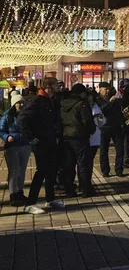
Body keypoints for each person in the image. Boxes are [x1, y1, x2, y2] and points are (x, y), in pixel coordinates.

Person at [17, 77, 65, 215]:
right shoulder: (37, 101)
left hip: (50, 141)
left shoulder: (51, 100)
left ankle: (50, 199)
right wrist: (31, 137)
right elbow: (21, 119)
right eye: (56, 85)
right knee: (41, 171)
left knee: (51, 170)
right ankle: (30, 203)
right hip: (41, 142)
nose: (59, 87)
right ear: (49, 87)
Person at [61, 83, 96, 198]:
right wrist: (91, 130)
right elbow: (87, 120)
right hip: (80, 137)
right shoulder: (81, 104)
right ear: (81, 93)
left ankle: (69, 189)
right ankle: (86, 190)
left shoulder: (63, 103)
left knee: (69, 164)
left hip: (66, 136)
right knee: (83, 164)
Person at [0, 94, 30, 206]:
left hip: (25, 144)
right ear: (13, 104)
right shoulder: (7, 115)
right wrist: (7, 137)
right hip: (12, 145)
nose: (21, 105)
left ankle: (20, 191)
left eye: (22, 103)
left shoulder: (26, 115)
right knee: (14, 170)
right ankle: (13, 194)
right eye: (18, 103)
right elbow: (1, 130)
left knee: (22, 170)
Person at [97, 82, 125, 177]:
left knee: (120, 149)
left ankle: (119, 169)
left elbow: (119, 111)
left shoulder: (114, 99)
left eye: (108, 89)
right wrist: (110, 102)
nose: (107, 91)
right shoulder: (98, 99)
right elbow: (101, 111)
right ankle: (105, 171)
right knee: (104, 150)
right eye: (105, 89)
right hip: (104, 127)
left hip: (116, 126)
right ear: (100, 89)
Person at [87, 90, 105, 192]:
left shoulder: (95, 107)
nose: (90, 100)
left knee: (89, 162)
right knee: (85, 163)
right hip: (86, 138)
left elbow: (102, 122)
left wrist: (100, 118)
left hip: (94, 138)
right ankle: (85, 183)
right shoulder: (83, 107)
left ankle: (87, 182)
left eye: (91, 98)